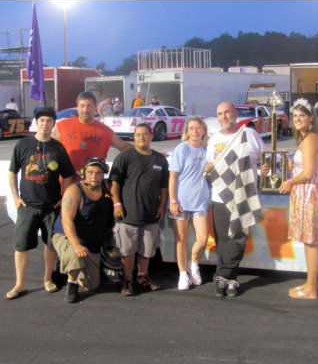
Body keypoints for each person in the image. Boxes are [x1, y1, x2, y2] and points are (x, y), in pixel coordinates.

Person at [6, 107, 75, 300]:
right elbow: (12, 172)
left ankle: (47, 279)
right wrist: (16, 197)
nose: (45, 124)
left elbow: (68, 175)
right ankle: (19, 283)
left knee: (51, 245)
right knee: (21, 246)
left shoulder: (58, 148)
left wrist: (62, 197)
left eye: (49, 121)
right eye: (42, 120)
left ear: (54, 124)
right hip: (27, 207)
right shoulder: (23, 144)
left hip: (50, 207)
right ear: (37, 122)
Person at [204, 101, 270, 297]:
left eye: (227, 112)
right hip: (220, 195)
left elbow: (265, 158)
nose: (224, 116)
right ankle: (231, 279)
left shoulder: (249, 134)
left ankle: (222, 275)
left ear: (235, 114)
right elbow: (209, 166)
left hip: (244, 194)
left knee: (239, 237)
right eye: (220, 114)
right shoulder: (214, 139)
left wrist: (263, 169)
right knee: (223, 238)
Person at [110, 123, 169, 296]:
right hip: (128, 214)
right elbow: (114, 183)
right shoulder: (124, 157)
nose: (141, 138)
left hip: (151, 214)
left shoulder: (160, 160)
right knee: (127, 251)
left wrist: (161, 207)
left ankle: (142, 277)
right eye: (137, 135)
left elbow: (163, 187)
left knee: (147, 250)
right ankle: (127, 279)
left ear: (151, 137)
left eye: (145, 134)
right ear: (133, 137)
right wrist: (116, 204)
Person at [278, 98, 318, 300]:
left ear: (311, 118)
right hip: (305, 193)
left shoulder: (311, 139)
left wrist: (290, 182)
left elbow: (308, 173)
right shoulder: (307, 139)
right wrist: (289, 167)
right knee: (308, 241)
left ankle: (312, 288)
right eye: (295, 116)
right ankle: (309, 284)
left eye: (302, 116)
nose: (297, 119)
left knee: (312, 241)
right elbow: (303, 169)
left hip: (310, 194)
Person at [52, 157, 114, 303]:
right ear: (83, 172)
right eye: (90, 172)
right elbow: (66, 220)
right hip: (67, 235)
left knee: (91, 285)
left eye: (98, 172)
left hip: (90, 241)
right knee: (74, 256)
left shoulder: (106, 187)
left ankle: (69, 266)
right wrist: (77, 245)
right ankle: (71, 283)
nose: (94, 176)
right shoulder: (75, 190)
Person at [168, 117, 210, 291]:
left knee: (203, 238)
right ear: (187, 131)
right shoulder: (182, 149)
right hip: (181, 202)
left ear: (203, 131)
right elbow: (173, 177)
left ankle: (193, 264)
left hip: (200, 202)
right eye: (191, 128)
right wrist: (173, 200)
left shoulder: (208, 150)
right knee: (181, 239)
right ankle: (182, 274)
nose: (195, 131)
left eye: (198, 128)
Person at [52, 91, 133, 181]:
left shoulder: (105, 131)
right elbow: (47, 147)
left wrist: (146, 154)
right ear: (77, 107)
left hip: (93, 186)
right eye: (82, 106)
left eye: (89, 106)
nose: (85, 110)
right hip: (65, 185)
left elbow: (124, 146)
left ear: (95, 107)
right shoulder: (62, 126)